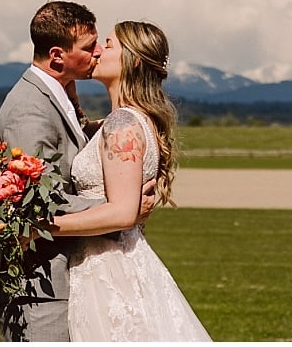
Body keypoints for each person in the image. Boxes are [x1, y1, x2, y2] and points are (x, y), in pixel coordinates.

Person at [0, 1, 154, 342]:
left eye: (101, 44)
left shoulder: (61, 97)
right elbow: (38, 205)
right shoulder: (30, 111)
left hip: (70, 276)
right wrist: (122, 208)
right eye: (88, 46)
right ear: (57, 56)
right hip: (39, 285)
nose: (97, 52)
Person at [48, 20, 212, 341]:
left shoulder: (123, 123)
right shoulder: (127, 119)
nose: (97, 51)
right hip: (117, 260)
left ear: (132, 60)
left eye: (108, 45)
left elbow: (122, 214)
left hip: (106, 269)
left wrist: (44, 225)